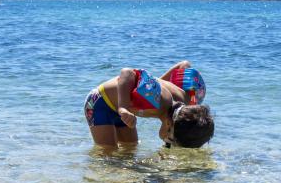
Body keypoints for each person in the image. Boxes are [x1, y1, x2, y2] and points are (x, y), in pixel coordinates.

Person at [83, 61, 214, 148]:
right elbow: (127, 72)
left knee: (130, 148)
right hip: (99, 104)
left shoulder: (186, 101)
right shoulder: (155, 100)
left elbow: (184, 65)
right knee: (108, 153)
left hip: (126, 112)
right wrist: (123, 107)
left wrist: (157, 82)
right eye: (170, 140)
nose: (167, 142)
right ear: (168, 124)